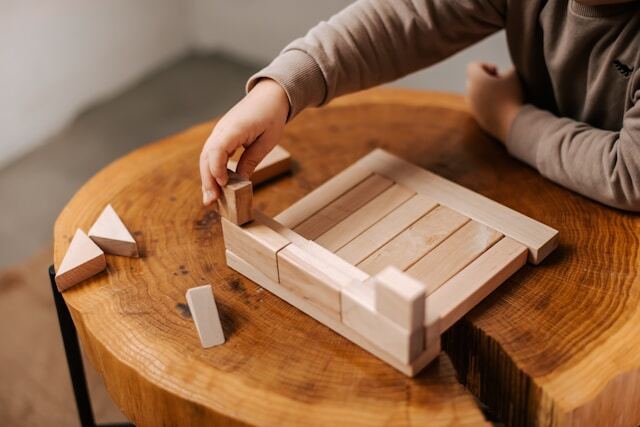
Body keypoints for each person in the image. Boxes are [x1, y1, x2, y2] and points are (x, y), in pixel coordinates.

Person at [200, 0, 640, 211]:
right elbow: (409, 18)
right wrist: (282, 88)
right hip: (548, 183)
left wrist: (508, 120)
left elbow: (629, 174)